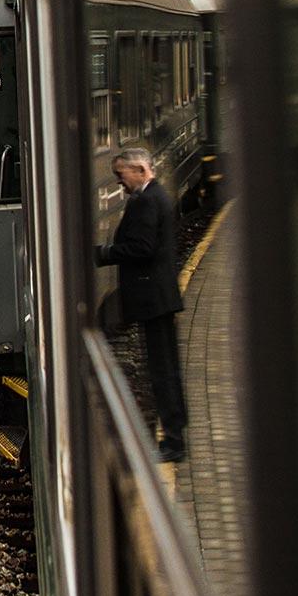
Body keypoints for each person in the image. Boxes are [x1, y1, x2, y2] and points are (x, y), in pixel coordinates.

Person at [96, 143, 188, 462]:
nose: (119, 182)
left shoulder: (147, 200)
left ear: (140, 170)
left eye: (121, 176)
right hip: (158, 297)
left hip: (154, 298)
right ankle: (174, 434)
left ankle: (174, 443)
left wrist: (103, 253)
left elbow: (142, 248)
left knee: (163, 371)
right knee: (165, 368)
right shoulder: (153, 196)